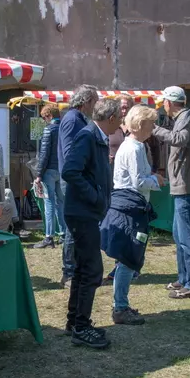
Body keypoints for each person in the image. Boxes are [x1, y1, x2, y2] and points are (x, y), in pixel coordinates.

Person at [62, 98, 120, 348]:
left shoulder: (96, 136)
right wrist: (95, 196)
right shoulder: (88, 136)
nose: (120, 124)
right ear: (110, 118)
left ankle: (75, 322)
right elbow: (70, 171)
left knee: (83, 268)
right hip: (82, 212)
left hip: (85, 211)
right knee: (92, 270)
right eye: (119, 118)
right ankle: (81, 327)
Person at [101, 105, 162, 325]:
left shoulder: (132, 145)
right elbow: (139, 182)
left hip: (128, 205)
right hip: (131, 206)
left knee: (125, 259)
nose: (154, 127)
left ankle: (121, 305)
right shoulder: (135, 148)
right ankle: (120, 307)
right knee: (128, 259)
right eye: (152, 123)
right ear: (141, 124)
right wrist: (157, 180)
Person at [152, 86, 190, 299]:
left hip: (188, 185)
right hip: (184, 184)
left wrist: (154, 129)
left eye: (163, 101)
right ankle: (184, 278)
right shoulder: (187, 116)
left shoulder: (187, 118)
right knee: (179, 234)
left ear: (168, 102)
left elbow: (180, 138)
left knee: (187, 236)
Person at [57, 85, 99, 288]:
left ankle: (75, 269)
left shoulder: (79, 119)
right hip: (73, 181)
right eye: (95, 101)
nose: (96, 105)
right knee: (72, 228)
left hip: (76, 179)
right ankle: (69, 272)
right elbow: (69, 155)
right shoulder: (73, 120)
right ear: (87, 102)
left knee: (77, 226)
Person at [34, 104, 65, 249]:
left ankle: (49, 237)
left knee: (49, 203)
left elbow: (44, 154)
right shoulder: (65, 128)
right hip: (61, 170)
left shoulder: (49, 129)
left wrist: (38, 174)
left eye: (44, 117)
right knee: (61, 202)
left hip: (49, 171)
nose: (44, 120)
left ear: (49, 116)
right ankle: (63, 234)